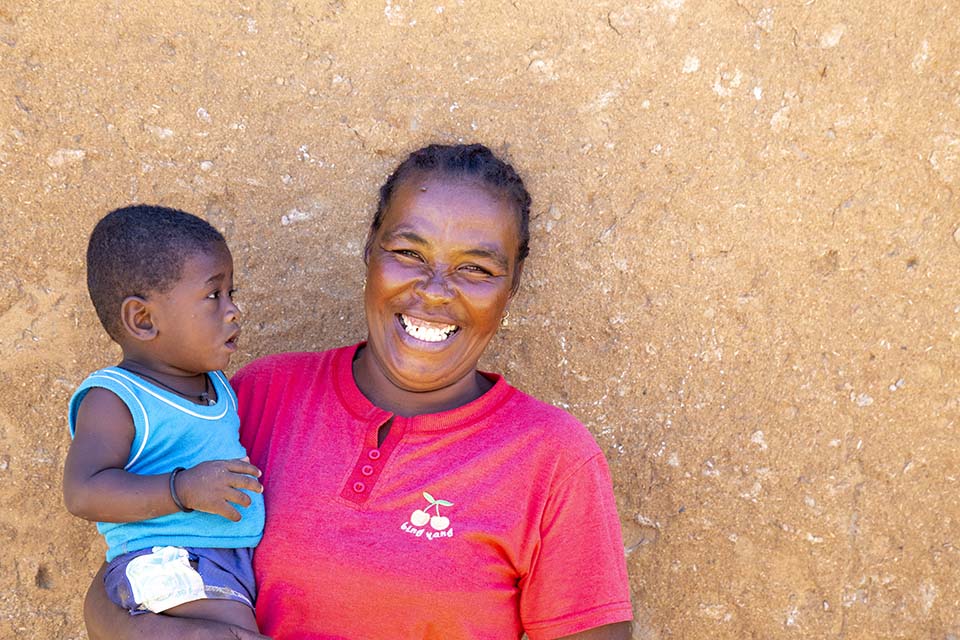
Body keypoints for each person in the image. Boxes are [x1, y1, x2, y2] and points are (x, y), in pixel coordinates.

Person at [83, 144, 632, 639]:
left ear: (510, 288)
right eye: (409, 254)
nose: (435, 292)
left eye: (477, 268)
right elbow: (132, 570)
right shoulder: (254, 400)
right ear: (369, 251)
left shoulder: (554, 460)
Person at [64, 205, 265, 632]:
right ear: (143, 320)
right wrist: (182, 488)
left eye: (232, 293)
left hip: (227, 560)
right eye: (213, 296)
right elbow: (83, 492)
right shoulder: (117, 398)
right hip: (167, 559)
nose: (233, 311)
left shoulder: (216, 385)